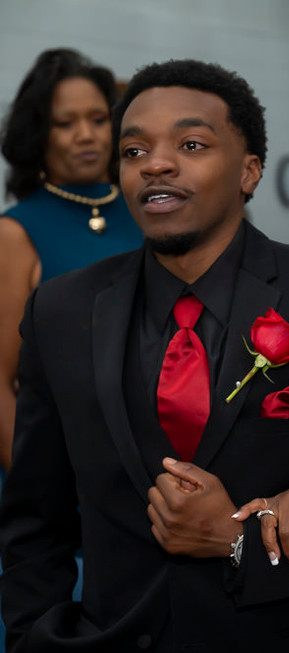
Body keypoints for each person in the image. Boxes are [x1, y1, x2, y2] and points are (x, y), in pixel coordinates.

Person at [0, 59, 289, 653]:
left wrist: (239, 542)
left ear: (249, 171)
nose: (156, 164)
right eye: (134, 151)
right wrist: (33, 636)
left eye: (191, 144)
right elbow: (34, 518)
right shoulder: (63, 312)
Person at [0, 48, 144, 471]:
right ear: (38, 133)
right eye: (65, 124)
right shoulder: (15, 232)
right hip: (56, 470)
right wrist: (32, 485)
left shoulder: (149, 213)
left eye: (98, 119)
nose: (86, 135)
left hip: (151, 466)